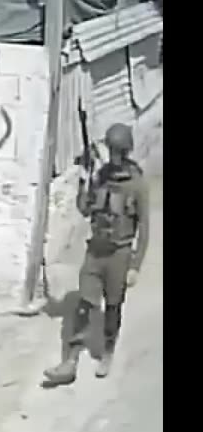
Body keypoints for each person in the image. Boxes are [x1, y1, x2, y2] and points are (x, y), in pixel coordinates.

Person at [44, 123, 150, 384]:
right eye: (110, 151)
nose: (112, 156)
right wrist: (84, 182)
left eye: (116, 152)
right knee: (84, 305)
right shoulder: (101, 176)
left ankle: (108, 351)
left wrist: (135, 265)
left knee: (113, 307)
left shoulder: (137, 184)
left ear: (124, 152)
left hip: (120, 253)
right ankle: (69, 362)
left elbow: (144, 228)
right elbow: (84, 209)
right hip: (96, 251)